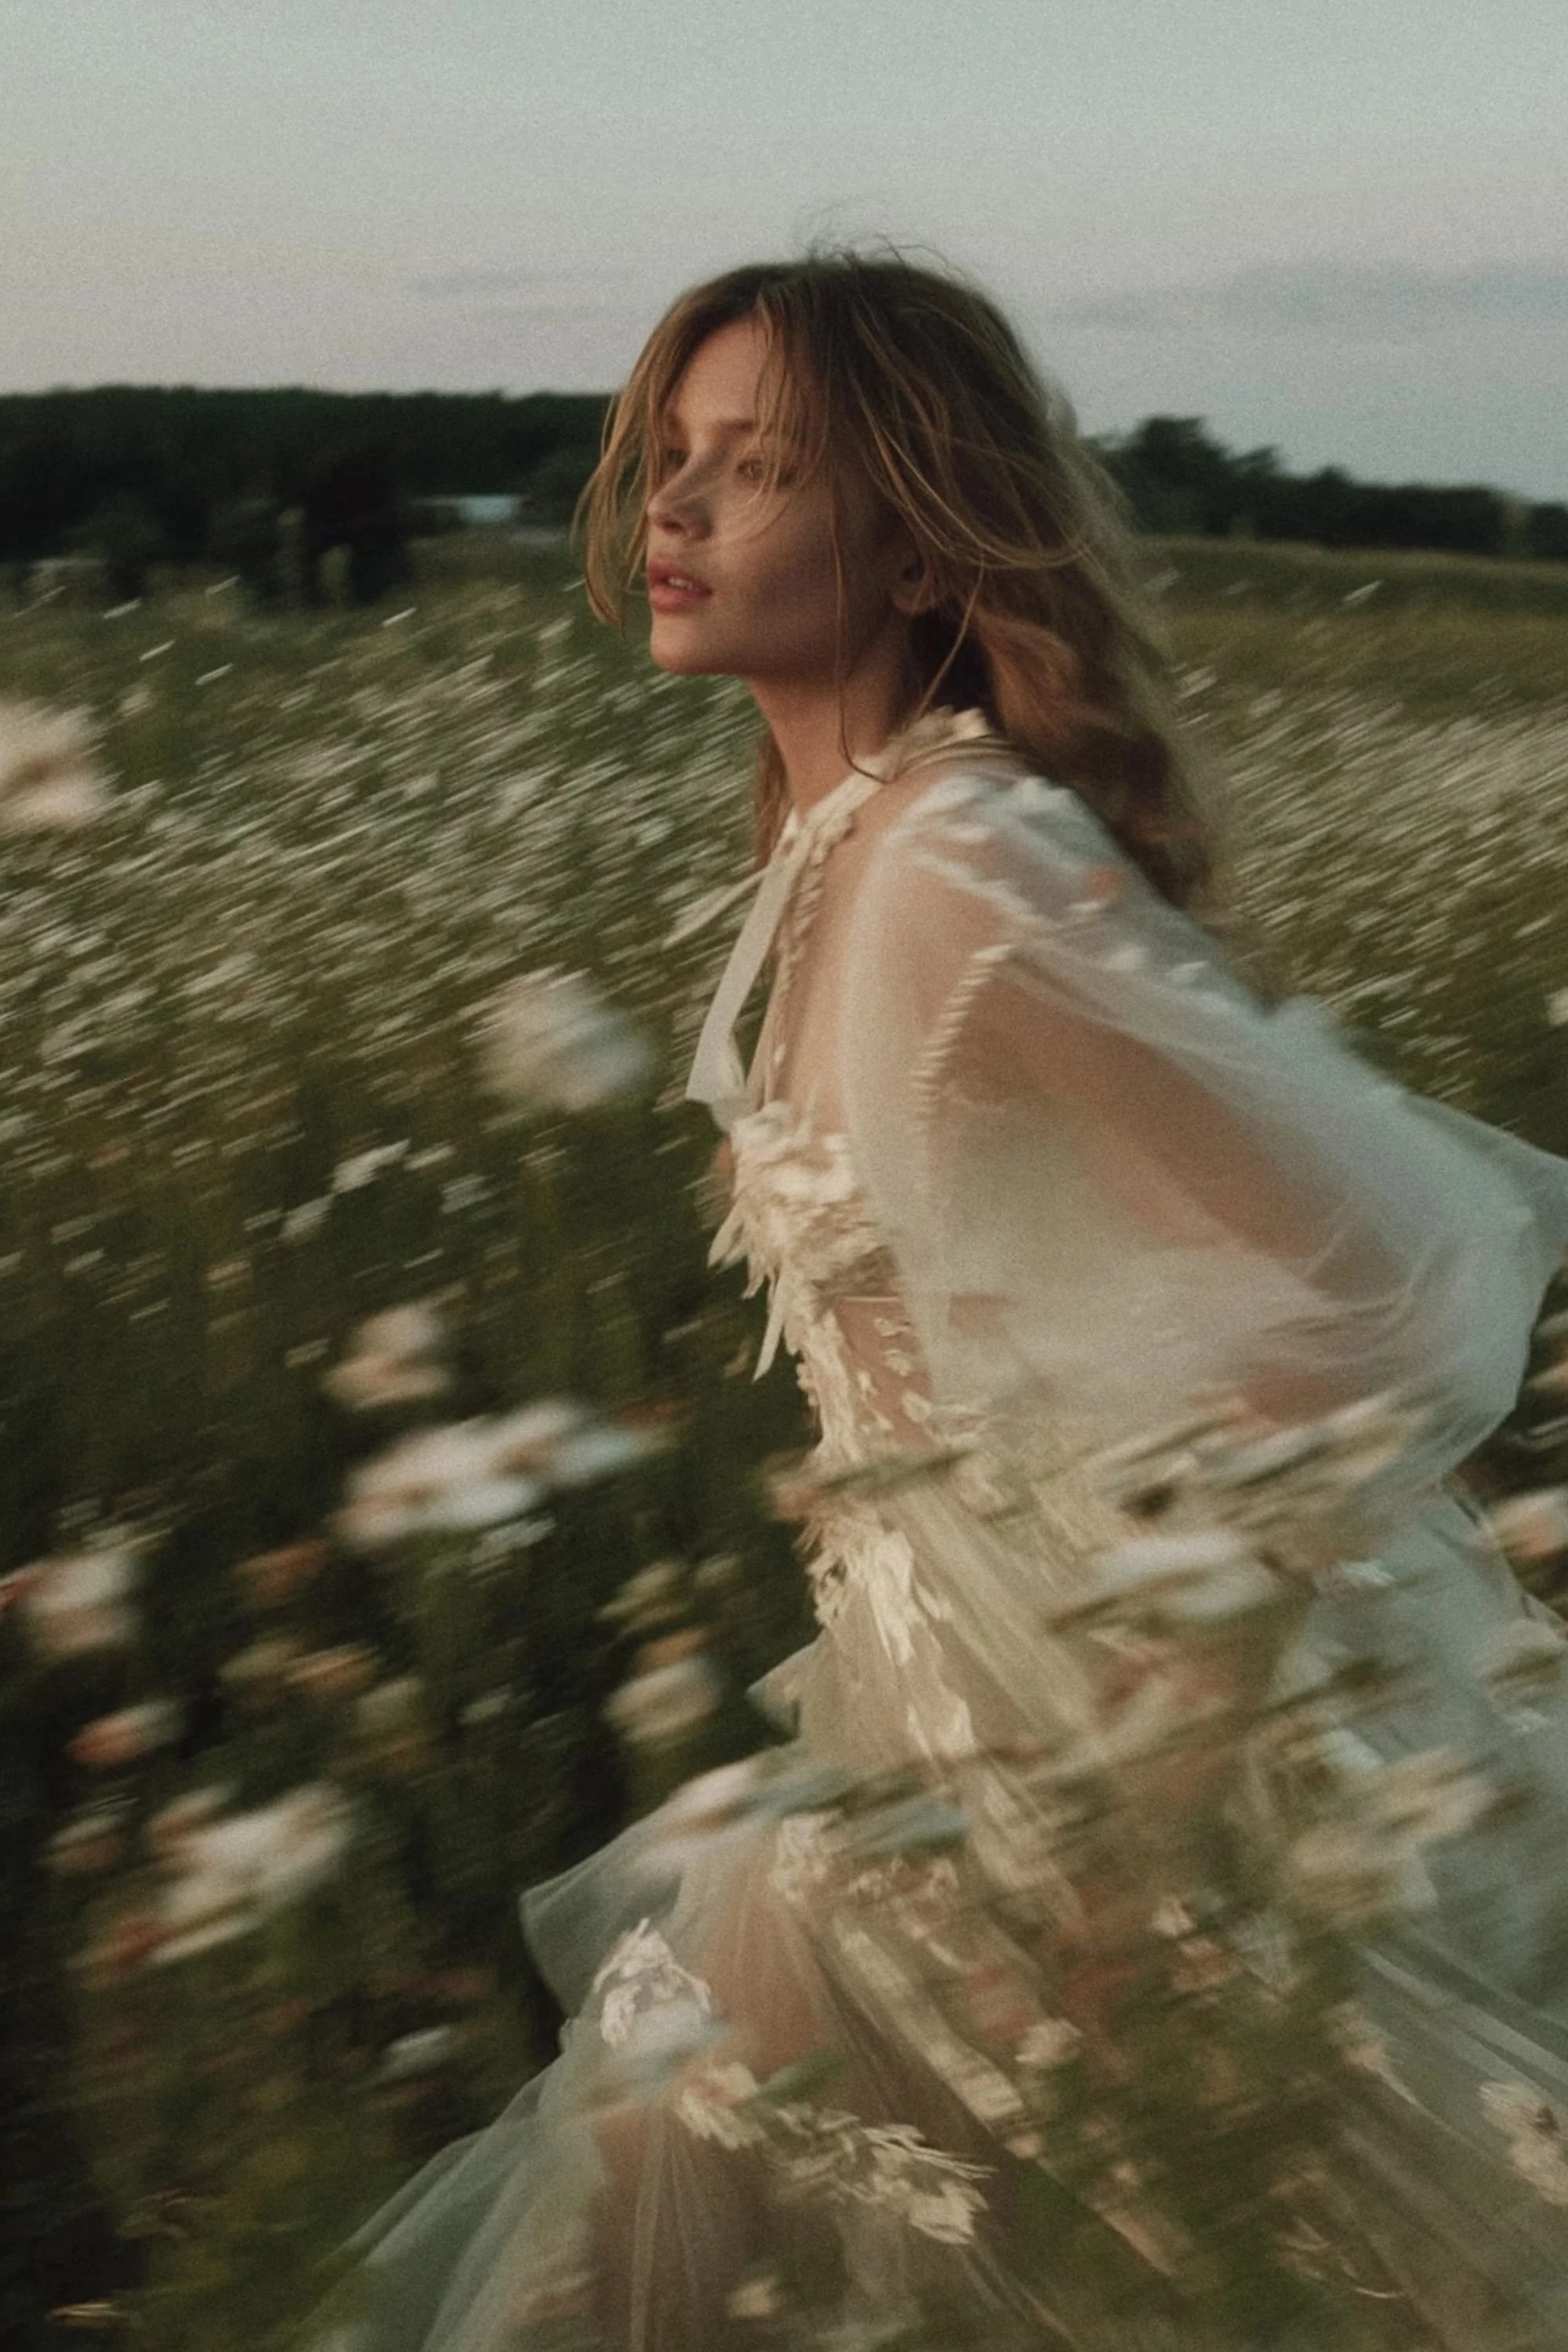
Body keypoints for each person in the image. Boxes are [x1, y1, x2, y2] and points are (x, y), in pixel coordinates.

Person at [319, 249, 1568, 2350]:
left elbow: (1381, 1284)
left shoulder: (955, 860)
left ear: (913, 541)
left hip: (1050, 1748)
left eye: (756, 468)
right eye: (674, 459)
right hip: (911, 1717)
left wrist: (1133, 1787)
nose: (674, 514)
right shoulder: (847, 847)